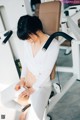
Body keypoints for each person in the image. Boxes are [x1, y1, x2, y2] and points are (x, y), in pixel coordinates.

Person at [15, 15, 59, 120]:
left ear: (36, 30)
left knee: (33, 118)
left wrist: (32, 89)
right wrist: (22, 79)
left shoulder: (53, 44)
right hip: (28, 81)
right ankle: (26, 107)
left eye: (29, 37)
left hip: (42, 86)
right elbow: (25, 62)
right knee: (4, 99)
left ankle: (28, 108)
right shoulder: (27, 42)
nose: (28, 41)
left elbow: (46, 72)